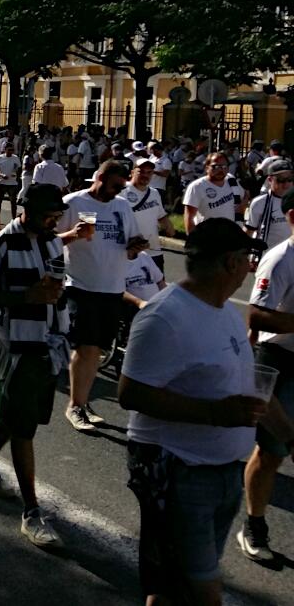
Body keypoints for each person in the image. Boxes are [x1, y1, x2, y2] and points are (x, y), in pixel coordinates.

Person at [120, 219, 272, 605]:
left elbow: (244, 387)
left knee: (174, 586)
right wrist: (215, 414)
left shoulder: (221, 311)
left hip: (222, 470)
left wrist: (286, 430)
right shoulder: (163, 317)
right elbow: (131, 393)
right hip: (178, 470)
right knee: (203, 590)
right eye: (246, 258)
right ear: (229, 263)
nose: (249, 268)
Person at [0, 183, 69, 548]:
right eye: (48, 216)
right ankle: (31, 511)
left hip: (49, 342)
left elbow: (56, 288)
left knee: (20, 417)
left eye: (56, 217)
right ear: (24, 211)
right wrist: (26, 296)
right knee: (24, 427)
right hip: (17, 344)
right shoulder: (3, 244)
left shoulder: (52, 241)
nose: (53, 222)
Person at [57, 160, 148, 433]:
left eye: (121, 187)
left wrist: (136, 247)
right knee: (85, 347)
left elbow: (131, 243)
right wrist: (73, 235)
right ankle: (75, 405)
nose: (116, 192)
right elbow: (47, 239)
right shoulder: (73, 202)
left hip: (112, 288)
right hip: (81, 285)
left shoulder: (121, 206)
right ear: (99, 177)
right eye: (114, 186)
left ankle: (82, 402)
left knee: (97, 350)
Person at [238, 191, 294, 563]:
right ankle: (253, 524)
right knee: (273, 450)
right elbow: (256, 316)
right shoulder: (281, 259)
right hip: (279, 358)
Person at [120, 157, 175, 275]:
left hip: (154, 251)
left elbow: (161, 216)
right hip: (131, 252)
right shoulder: (122, 191)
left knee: (158, 289)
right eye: (141, 171)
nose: (145, 175)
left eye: (149, 172)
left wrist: (169, 228)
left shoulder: (154, 193)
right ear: (132, 172)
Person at [183, 152, 243, 230]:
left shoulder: (232, 182)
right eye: (215, 166)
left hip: (229, 235)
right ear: (207, 168)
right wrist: (192, 239)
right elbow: (189, 217)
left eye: (224, 166)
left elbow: (244, 197)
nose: (220, 170)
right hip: (207, 236)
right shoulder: (197, 187)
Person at [245, 159, 293, 256]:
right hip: (268, 257)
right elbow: (249, 232)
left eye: (290, 179)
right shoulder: (259, 203)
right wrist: (246, 255)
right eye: (281, 180)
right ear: (270, 180)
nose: (286, 184)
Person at [0, 141, 22, 214]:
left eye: (12, 150)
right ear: (5, 149)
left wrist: (17, 177)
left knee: (13, 203)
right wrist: (1, 175)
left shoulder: (15, 158)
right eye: (9, 150)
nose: (11, 152)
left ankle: (14, 219)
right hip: (1, 182)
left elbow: (19, 168)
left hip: (12, 183)